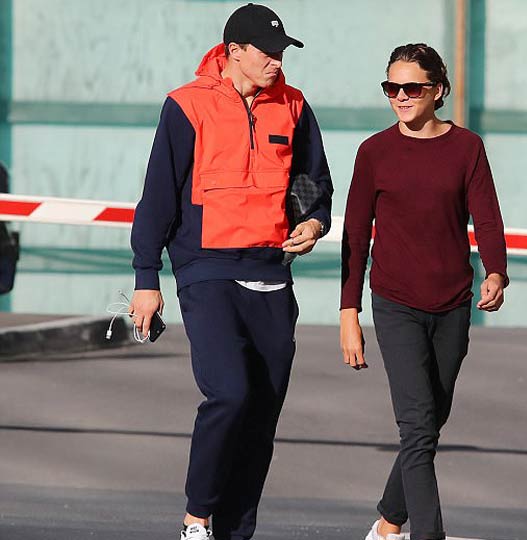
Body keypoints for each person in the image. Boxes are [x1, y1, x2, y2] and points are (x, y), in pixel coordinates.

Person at [129, 4, 333, 539]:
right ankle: (197, 517)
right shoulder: (186, 105)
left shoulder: (293, 105)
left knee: (262, 415)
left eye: (282, 52)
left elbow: (313, 182)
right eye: (268, 52)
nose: (277, 61)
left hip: (271, 273)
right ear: (234, 51)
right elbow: (157, 197)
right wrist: (146, 279)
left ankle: (234, 533)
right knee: (230, 393)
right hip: (207, 269)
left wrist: (313, 223)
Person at [340, 43, 507, 540]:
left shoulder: (467, 148)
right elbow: (355, 235)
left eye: (411, 87)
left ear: (438, 90)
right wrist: (349, 312)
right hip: (395, 304)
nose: (400, 96)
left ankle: (388, 524)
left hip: (453, 302)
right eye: (391, 87)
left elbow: (487, 216)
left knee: (431, 422)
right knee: (416, 425)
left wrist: (496, 272)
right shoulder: (374, 152)